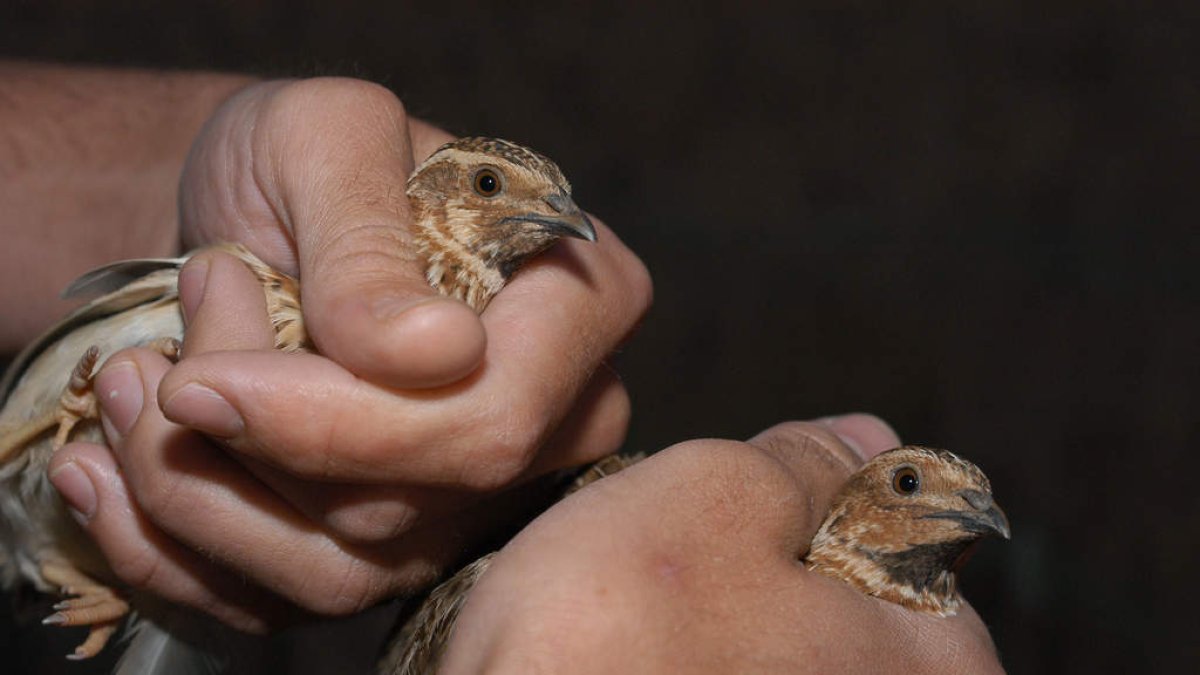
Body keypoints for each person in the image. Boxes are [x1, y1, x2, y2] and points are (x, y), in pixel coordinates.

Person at [1, 62, 1001, 672]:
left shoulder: (473, 329)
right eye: (488, 186)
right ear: (435, 196)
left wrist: (199, 161)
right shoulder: (325, 284)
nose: (530, 211)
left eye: (536, 197)